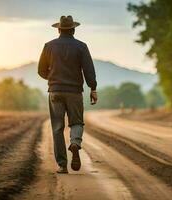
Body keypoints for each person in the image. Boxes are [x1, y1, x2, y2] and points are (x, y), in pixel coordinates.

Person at [38, 15, 97, 174]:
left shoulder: (48, 46)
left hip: (55, 92)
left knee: (57, 128)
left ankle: (62, 165)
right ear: (73, 29)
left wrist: (52, 79)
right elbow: (88, 70)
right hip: (75, 92)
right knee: (77, 122)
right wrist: (93, 88)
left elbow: (41, 70)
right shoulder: (81, 47)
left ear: (58, 29)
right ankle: (75, 143)